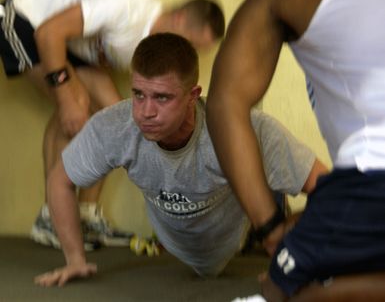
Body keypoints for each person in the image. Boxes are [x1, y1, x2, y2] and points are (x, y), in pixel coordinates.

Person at [34, 33, 327, 287]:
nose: (146, 112)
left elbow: (329, 187)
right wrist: (74, 259)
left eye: (162, 98)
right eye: (138, 94)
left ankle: (267, 209)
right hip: (178, 242)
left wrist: (307, 249)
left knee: (265, 186)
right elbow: (60, 180)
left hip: (235, 232)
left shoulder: (245, 130)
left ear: (193, 95)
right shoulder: (115, 126)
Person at [0, 0, 225, 251]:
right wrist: (66, 99)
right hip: (24, 19)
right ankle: (51, 218)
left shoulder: (150, 48)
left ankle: (85, 215)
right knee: (75, 104)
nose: (189, 53)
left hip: (65, 44)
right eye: (191, 43)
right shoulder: (126, 8)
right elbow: (48, 34)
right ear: (180, 18)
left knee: (117, 122)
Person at [206, 0, 385, 300]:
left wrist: (271, 228)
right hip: (366, 184)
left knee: (280, 289)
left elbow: (225, 103)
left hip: (372, 171)